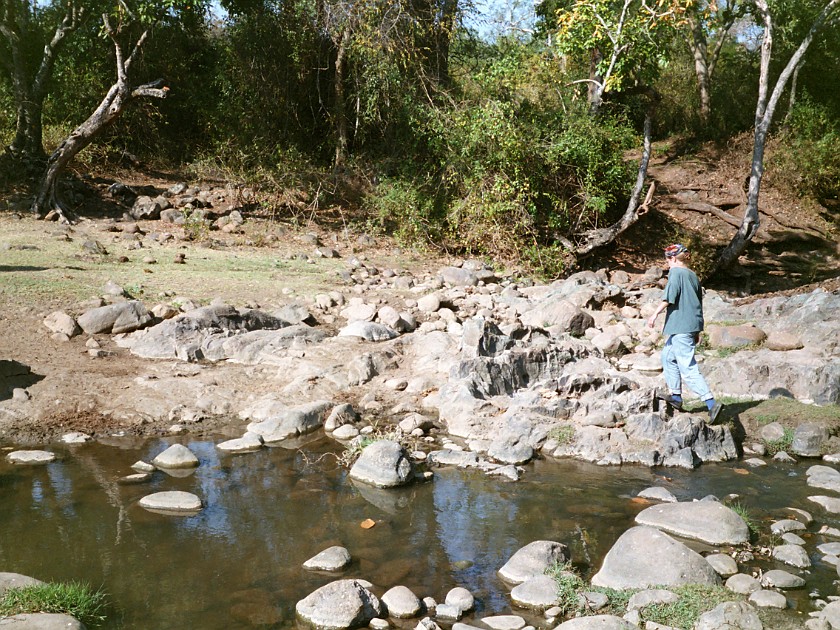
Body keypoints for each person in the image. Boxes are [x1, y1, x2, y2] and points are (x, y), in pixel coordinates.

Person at [646, 243, 724, 424]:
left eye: (667, 259)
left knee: (687, 367)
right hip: (688, 326)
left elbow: (669, 297)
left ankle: (711, 403)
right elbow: (697, 302)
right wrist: (696, 329)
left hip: (681, 327)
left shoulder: (676, 273)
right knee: (667, 357)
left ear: (672, 258)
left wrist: (654, 315)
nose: (667, 263)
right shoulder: (693, 276)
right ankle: (676, 397)